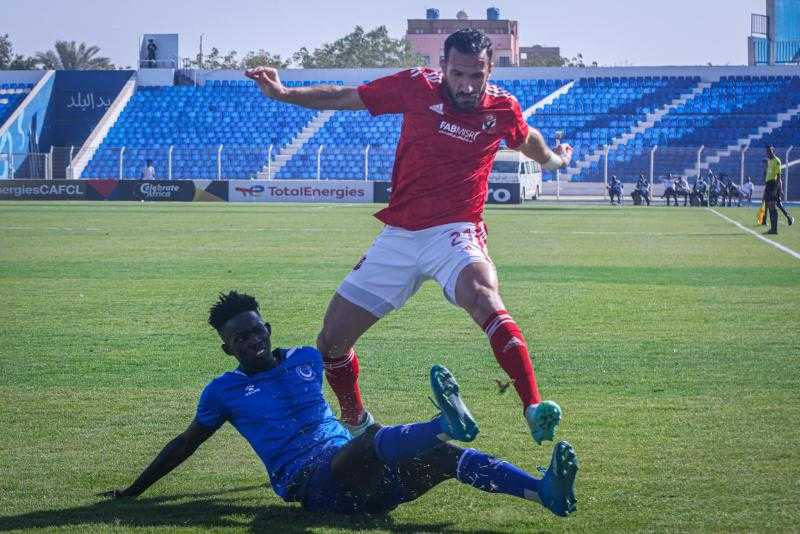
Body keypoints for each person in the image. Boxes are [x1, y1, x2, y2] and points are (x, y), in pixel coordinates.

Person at [245, 28, 572, 445]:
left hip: (455, 229)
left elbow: (529, 142)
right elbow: (348, 97)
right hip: (399, 235)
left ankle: (532, 405)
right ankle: (358, 422)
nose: (468, 85)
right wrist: (285, 94)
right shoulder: (416, 87)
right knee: (331, 340)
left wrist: (555, 161)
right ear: (443, 68)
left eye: (478, 75)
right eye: (458, 74)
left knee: (484, 295)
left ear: (491, 69)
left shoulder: (502, 109)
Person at [99, 291, 580, 518]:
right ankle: (442, 422)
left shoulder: (308, 358)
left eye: (254, 331)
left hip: (368, 485)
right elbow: (185, 445)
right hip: (315, 486)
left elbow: (348, 383)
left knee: (441, 458)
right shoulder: (223, 391)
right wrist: (135, 490)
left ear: (268, 330)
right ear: (227, 348)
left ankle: (543, 492)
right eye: (237, 339)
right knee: (371, 442)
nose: (250, 342)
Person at [763, 146, 789, 234]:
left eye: (770, 151)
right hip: (768, 185)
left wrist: (775, 189)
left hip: (773, 185)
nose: (768, 153)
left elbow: (778, 177)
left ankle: (774, 229)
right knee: (770, 207)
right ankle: (772, 229)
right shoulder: (769, 161)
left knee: (772, 206)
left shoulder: (777, 161)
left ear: (774, 151)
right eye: (767, 151)